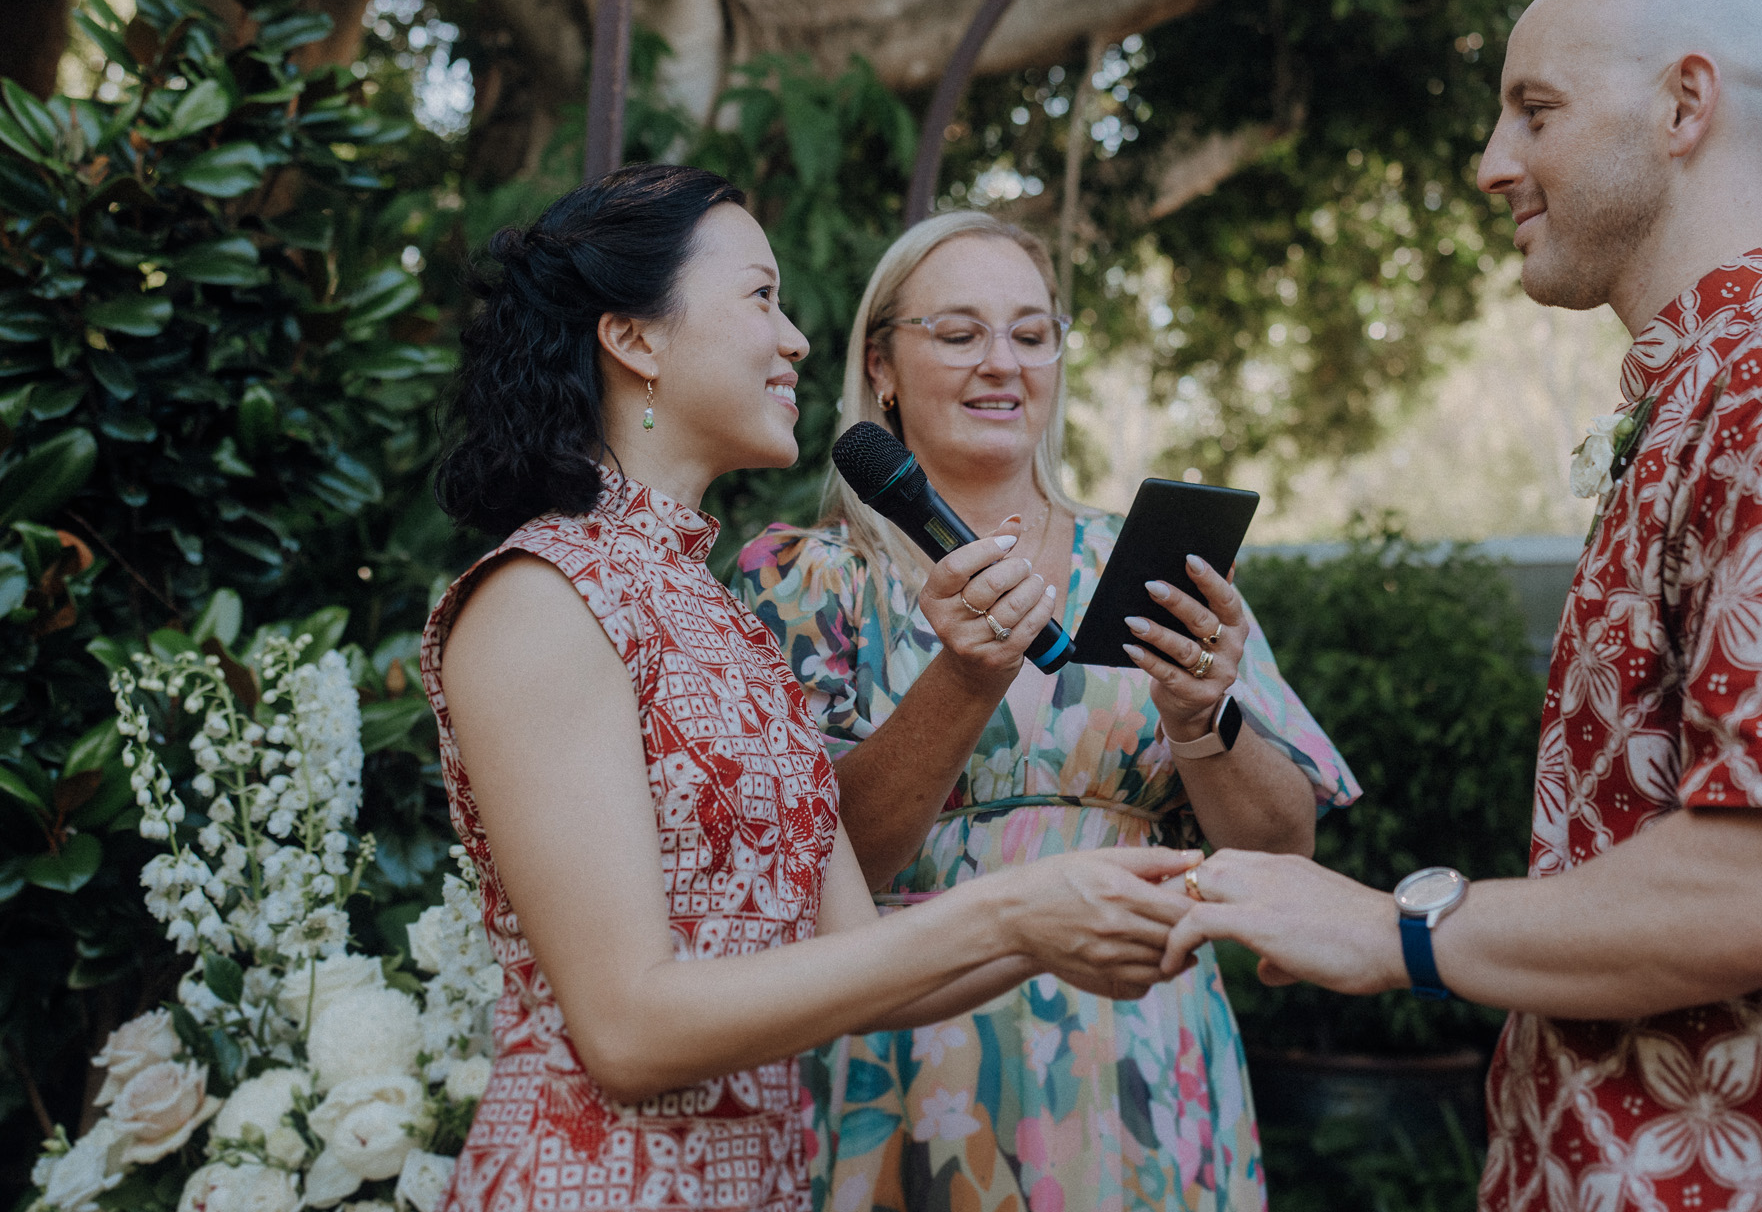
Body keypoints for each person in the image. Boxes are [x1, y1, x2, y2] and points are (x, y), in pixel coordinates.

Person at [1163, 0, 1762, 1211]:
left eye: (1533, 110)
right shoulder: (1712, 398)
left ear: (1684, 105)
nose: (1493, 162)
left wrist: (1400, 929)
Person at [421, 166, 1203, 1212]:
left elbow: (855, 963)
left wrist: (1095, 919)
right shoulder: (543, 596)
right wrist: (1017, 911)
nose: (795, 339)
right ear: (635, 339)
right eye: (760, 298)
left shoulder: (719, 619)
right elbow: (628, 1027)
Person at [735, 210, 1359, 1211]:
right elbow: (814, 860)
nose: (1002, 363)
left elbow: (1284, 855)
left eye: (1032, 334)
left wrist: (1205, 720)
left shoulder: (1152, 563)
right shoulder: (809, 579)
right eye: (959, 332)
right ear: (882, 366)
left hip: (1142, 1059)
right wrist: (960, 676)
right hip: (907, 1054)